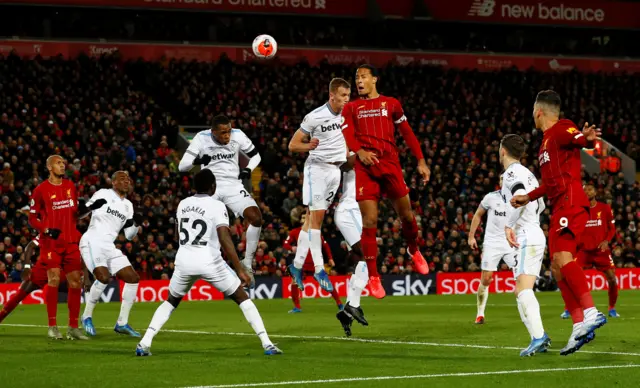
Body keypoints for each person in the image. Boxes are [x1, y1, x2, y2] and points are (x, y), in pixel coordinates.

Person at [136, 169, 282, 356]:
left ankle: (145, 342)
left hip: (184, 260)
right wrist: (240, 269)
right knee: (241, 297)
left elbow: (175, 234)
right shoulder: (216, 205)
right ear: (213, 186)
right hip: (209, 261)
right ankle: (267, 343)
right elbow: (224, 237)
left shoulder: (182, 204)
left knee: (171, 301)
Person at [511, 90, 606, 356]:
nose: (532, 115)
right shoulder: (544, 144)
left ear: (539, 111)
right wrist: (527, 197)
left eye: (532, 111)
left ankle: (590, 311)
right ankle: (578, 324)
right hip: (560, 204)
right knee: (556, 267)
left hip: (571, 201)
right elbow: (550, 184)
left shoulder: (561, 129)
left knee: (564, 257)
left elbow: (578, 139)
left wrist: (585, 140)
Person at [341, 64, 430, 299]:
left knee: (407, 216)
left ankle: (413, 249)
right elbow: (348, 135)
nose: (359, 81)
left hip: (390, 166)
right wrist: (359, 151)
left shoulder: (391, 103)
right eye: (356, 77)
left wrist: (420, 160)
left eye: (363, 77)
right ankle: (373, 276)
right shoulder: (351, 107)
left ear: (374, 79)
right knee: (369, 221)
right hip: (365, 168)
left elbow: (408, 133)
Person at [178, 115, 263, 288]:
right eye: (223, 133)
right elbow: (182, 166)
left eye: (229, 131)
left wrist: (247, 169)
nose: (227, 136)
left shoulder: (238, 135)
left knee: (256, 218)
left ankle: (247, 263)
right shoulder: (201, 138)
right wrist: (199, 161)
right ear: (213, 132)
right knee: (217, 230)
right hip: (211, 188)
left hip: (233, 185)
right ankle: (214, 266)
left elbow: (256, 156)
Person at [287, 78, 350, 293]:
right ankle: (318, 268)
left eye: (348, 96)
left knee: (310, 221)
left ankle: (296, 267)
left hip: (335, 171)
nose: (346, 100)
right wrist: (307, 145)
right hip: (317, 170)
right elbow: (293, 145)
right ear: (332, 96)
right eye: (343, 96)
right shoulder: (315, 116)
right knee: (317, 219)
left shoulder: (347, 113)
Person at [28, 155, 87, 340]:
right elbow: (32, 218)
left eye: (63, 163)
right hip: (51, 243)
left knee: (76, 281)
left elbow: (75, 213)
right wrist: (45, 229)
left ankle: (73, 327)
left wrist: (87, 208)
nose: (62, 166)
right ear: (49, 167)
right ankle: (52, 326)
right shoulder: (40, 190)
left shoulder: (70, 186)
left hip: (70, 241)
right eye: (58, 163)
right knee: (53, 279)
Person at [501, 134, 550, 356]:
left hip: (527, 235)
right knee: (519, 290)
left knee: (523, 289)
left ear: (503, 151)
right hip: (533, 231)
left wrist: (510, 225)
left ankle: (539, 337)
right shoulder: (529, 174)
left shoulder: (511, 173)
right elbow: (540, 205)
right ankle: (537, 338)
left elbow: (520, 196)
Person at [80, 171, 142, 337]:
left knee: (133, 278)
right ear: (113, 182)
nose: (126, 181)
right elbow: (81, 214)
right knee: (104, 277)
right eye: (122, 179)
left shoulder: (128, 205)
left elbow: (129, 235)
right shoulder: (103, 193)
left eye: (128, 179)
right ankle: (86, 316)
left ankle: (122, 323)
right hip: (92, 241)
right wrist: (92, 207)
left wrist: (136, 224)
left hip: (109, 246)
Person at [561, 184, 618, 319]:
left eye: (590, 189)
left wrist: (606, 241)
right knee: (571, 278)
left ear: (596, 192)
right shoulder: (577, 210)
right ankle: (569, 308)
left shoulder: (605, 208)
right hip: (583, 251)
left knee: (612, 279)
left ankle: (612, 308)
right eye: (585, 190)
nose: (587, 192)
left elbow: (612, 228)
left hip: (601, 250)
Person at [468, 175, 515, 324]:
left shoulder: (518, 199)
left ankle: (526, 311)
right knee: (486, 278)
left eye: (506, 179)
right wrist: (471, 236)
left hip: (511, 242)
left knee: (522, 276)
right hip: (492, 242)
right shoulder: (490, 197)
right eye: (502, 179)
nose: (504, 182)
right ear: (500, 182)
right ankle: (480, 313)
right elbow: (477, 215)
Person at [334, 152, 368, 336]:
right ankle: (353, 305)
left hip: (358, 213)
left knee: (362, 260)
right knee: (367, 255)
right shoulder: (355, 154)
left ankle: (347, 312)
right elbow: (344, 164)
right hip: (349, 210)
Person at [283, 212, 343, 314]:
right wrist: (291, 247)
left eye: (305, 216)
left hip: (315, 263)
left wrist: (330, 258)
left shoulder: (316, 232)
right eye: (302, 217)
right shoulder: (295, 232)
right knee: (294, 282)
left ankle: (339, 303)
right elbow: (285, 243)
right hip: (302, 263)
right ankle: (297, 307)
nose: (304, 218)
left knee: (326, 281)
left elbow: (325, 246)